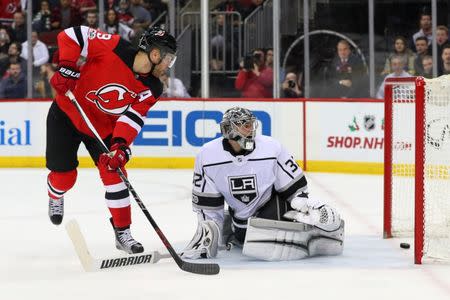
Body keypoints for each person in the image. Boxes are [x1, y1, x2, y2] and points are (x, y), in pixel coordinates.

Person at [46, 25, 177, 254]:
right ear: (155, 54)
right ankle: (55, 194)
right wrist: (67, 67)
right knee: (64, 178)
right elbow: (71, 35)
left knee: (116, 174)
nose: (169, 65)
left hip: (103, 127)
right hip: (67, 112)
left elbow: (132, 118)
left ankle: (122, 232)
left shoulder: (153, 87)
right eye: (168, 58)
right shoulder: (114, 46)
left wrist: (120, 147)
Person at [181, 107, 344, 261]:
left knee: (307, 212)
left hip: (272, 212)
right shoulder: (208, 155)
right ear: (229, 130)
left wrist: (306, 205)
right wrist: (209, 233)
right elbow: (208, 206)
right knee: (237, 228)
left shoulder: (271, 147)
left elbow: (294, 190)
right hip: (242, 227)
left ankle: (317, 233)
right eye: (246, 125)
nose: (251, 129)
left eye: (252, 124)